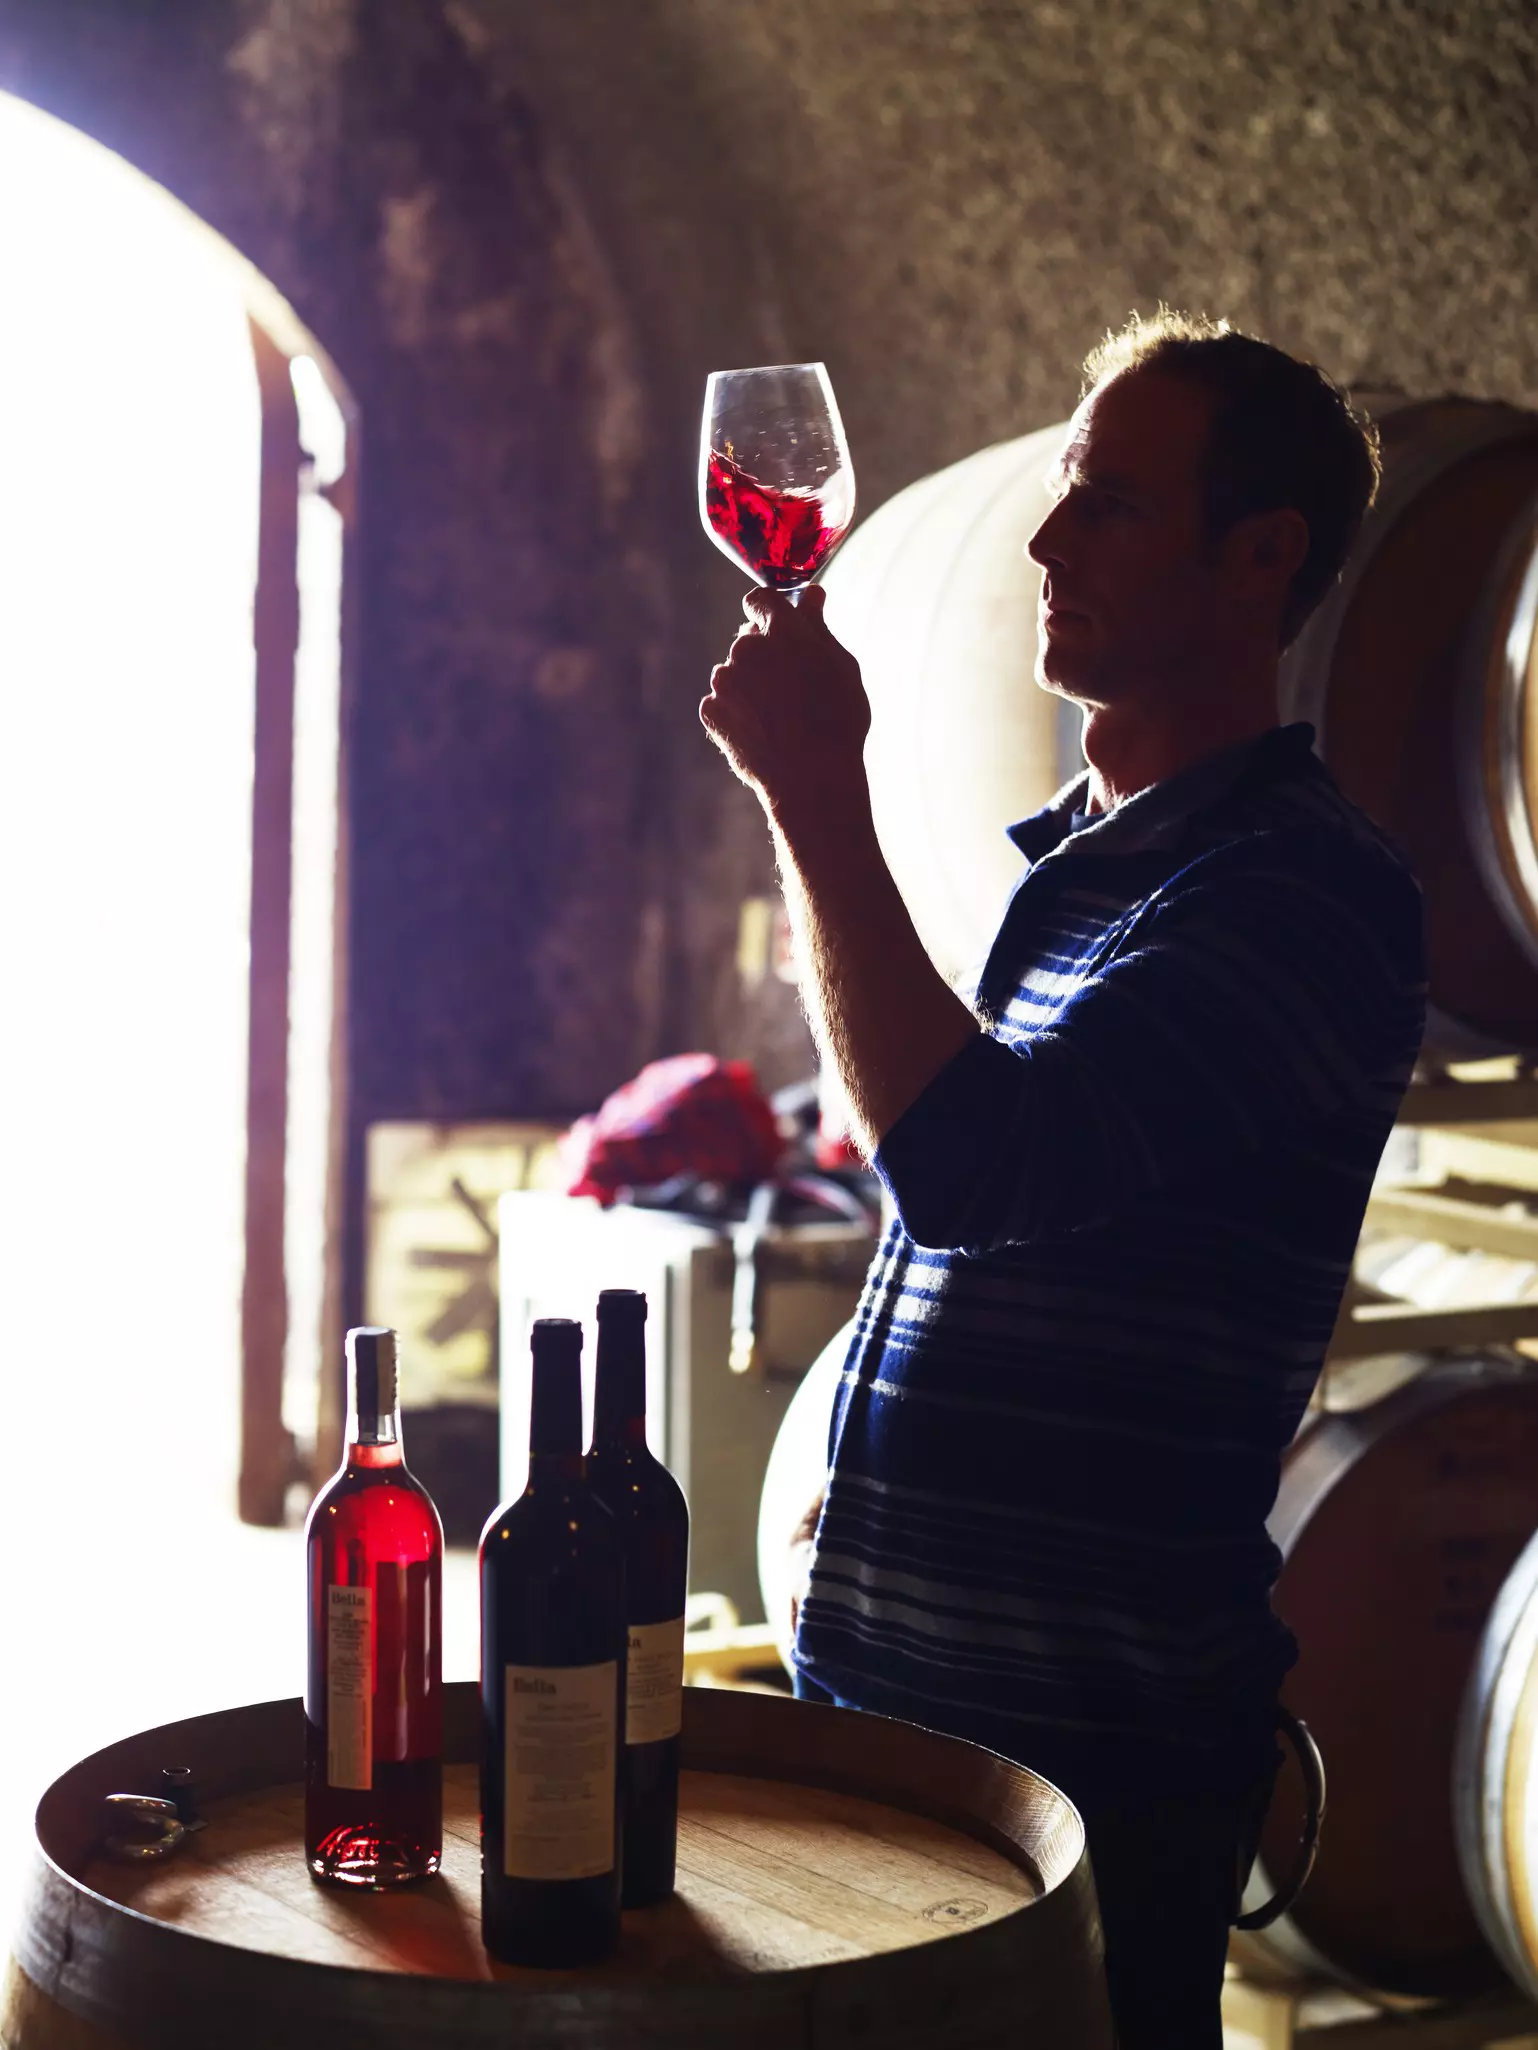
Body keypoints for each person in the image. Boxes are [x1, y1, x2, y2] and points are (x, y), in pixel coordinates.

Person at [699, 309, 1427, 2049]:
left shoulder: (1296, 891)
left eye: (1103, 504)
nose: (1040, 541)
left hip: (1085, 1762)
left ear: (1260, 560)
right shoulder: (1086, 876)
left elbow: (971, 1165)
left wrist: (815, 795)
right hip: (910, 1715)